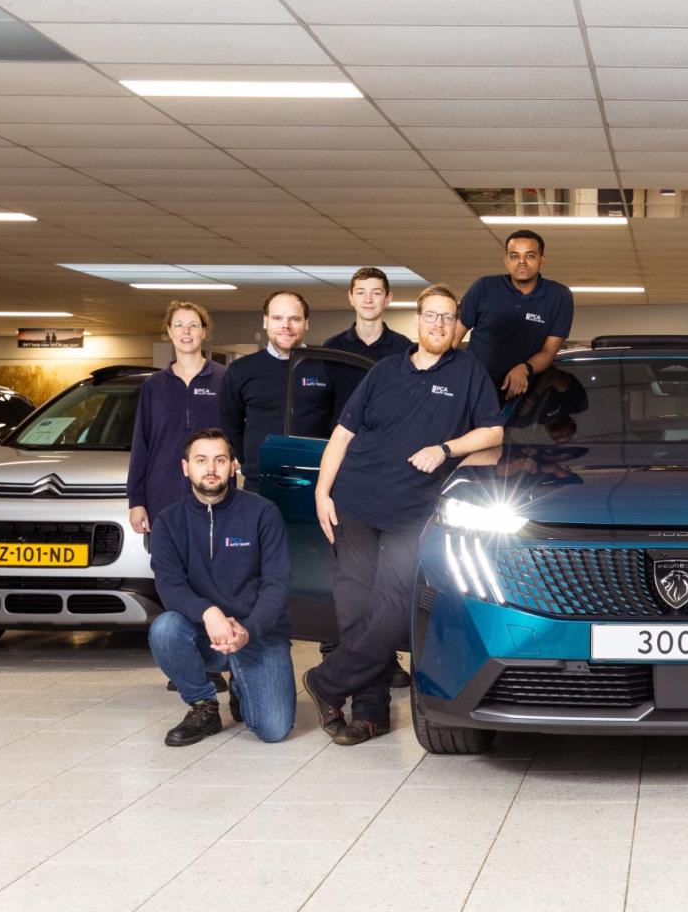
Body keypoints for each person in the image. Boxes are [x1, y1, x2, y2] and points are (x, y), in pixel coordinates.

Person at [308, 285, 506, 745]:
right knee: (356, 612)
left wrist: (445, 449)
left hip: (414, 513)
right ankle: (370, 713)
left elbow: (494, 431)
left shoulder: (468, 371)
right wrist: (321, 492)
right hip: (355, 503)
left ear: (457, 327)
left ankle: (325, 682)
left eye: (448, 317)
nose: (439, 324)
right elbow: (342, 435)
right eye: (431, 315)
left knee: (394, 612)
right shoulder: (384, 371)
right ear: (417, 320)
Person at [149, 429, 296, 747]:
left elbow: (276, 584)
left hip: (258, 633)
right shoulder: (168, 522)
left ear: (233, 466)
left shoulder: (263, 513)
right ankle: (203, 705)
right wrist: (209, 612)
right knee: (165, 628)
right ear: (186, 467)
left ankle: (242, 685)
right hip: (206, 633)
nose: (211, 468)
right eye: (201, 460)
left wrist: (249, 631)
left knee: (273, 729)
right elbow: (169, 586)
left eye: (220, 460)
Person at [127, 300, 226, 537]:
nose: (186, 331)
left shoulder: (225, 379)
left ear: (204, 331)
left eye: (193, 325)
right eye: (179, 325)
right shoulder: (153, 386)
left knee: (214, 556)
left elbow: (238, 433)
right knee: (167, 557)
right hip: (162, 493)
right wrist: (136, 500)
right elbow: (141, 444)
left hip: (214, 492)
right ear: (170, 332)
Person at [218, 290, 331, 490]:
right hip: (260, 482)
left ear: (306, 323)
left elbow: (340, 424)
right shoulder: (241, 370)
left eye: (295, 319)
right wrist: (253, 463)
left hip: (317, 482)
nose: (286, 326)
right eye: (277, 318)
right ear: (265, 321)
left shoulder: (327, 366)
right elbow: (231, 426)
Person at [458, 229, 573, 398]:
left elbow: (549, 352)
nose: (521, 262)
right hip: (474, 389)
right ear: (506, 261)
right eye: (514, 256)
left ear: (542, 260)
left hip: (521, 395)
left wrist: (525, 368)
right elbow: (452, 339)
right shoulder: (484, 287)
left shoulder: (559, 296)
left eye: (530, 256)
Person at [323, 266, 412, 364]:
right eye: (360, 293)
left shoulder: (404, 348)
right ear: (351, 297)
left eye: (376, 293)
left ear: (388, 298)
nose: (368, 300)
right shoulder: (333, 347)